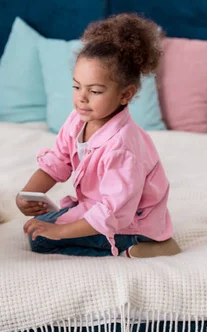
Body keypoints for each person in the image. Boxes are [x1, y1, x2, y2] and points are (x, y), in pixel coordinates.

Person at [17, 13, 181, 258]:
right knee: (37, 225)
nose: (81, 98)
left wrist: (60, 232)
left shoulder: (122, 148)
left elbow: (112, 211)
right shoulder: (78, 119)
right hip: (96, 207)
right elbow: (57, 162)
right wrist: (26, 195)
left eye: (94, 91)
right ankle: (68, 225)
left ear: (125, 95)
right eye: (76, 87)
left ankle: (152, 244)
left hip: (128, 221)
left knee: (42, 241)